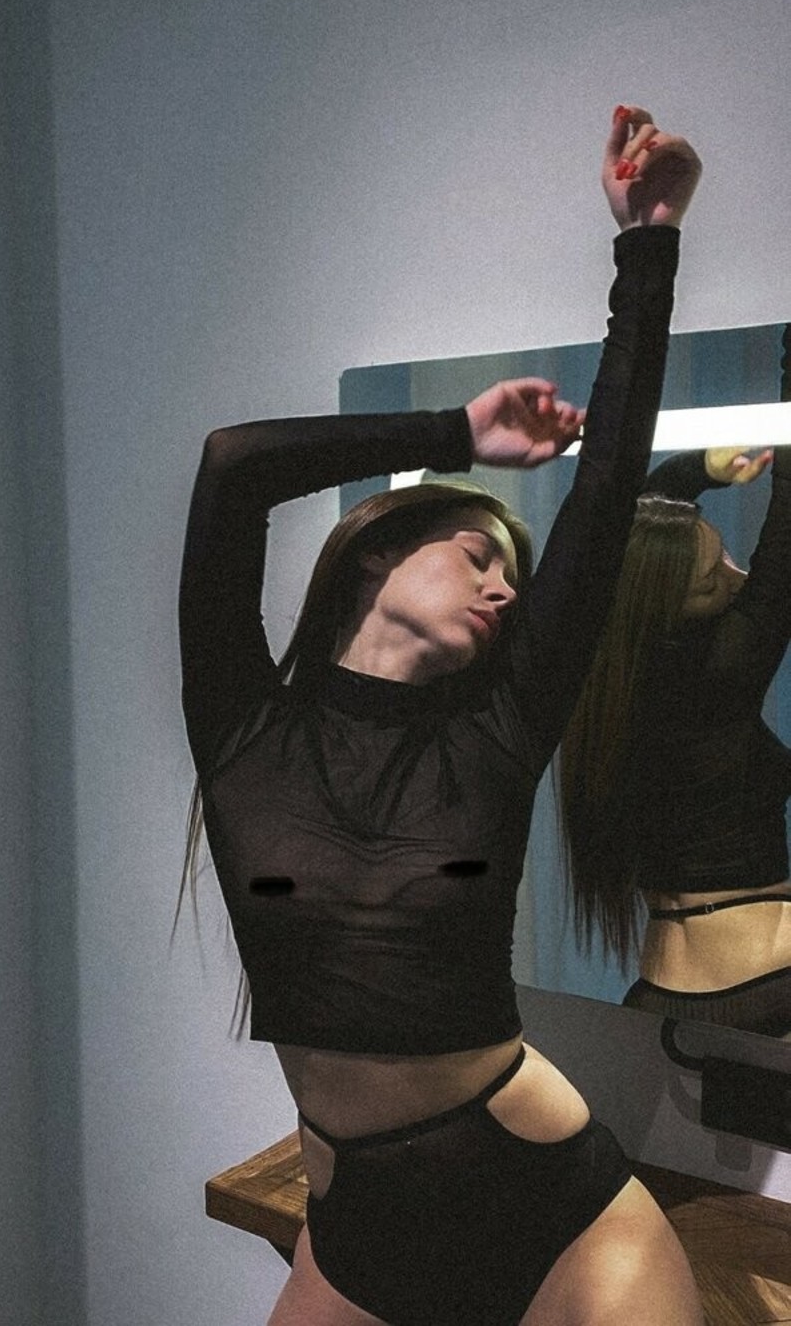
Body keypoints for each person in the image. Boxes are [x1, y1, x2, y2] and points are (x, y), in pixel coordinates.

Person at [179, 107, 704, 1325]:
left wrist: (648, 243)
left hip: (558, 1215)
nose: (504, 589)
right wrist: (457, 435)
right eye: (475, 553)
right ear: (376, 556)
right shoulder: (245, 724)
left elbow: (607, 493)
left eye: (512, 576)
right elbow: (233, 467)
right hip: (357, 1226)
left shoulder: (495, 733)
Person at [560, 435, 791, 1039]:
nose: (738, 579)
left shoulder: (607, 678)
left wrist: (699, 469)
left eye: (726, 555)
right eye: (712, 581)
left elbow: (640, 531)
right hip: (768, 974)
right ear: (662, 601)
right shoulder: (719, 672)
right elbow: (784, 551)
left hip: (659, 990)